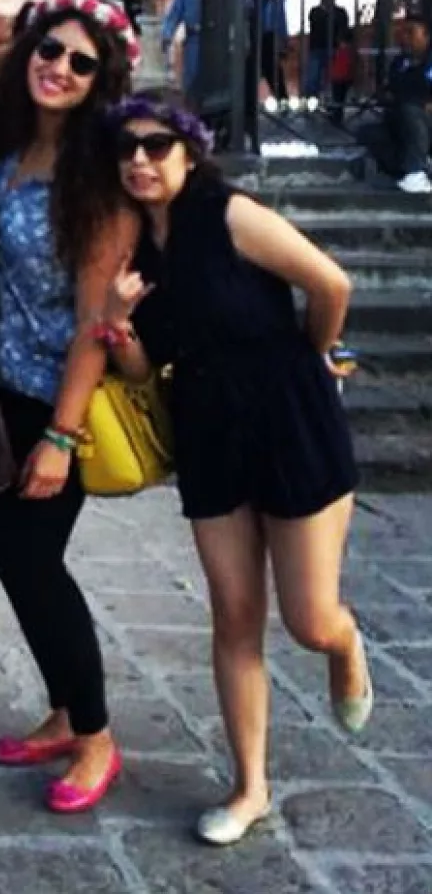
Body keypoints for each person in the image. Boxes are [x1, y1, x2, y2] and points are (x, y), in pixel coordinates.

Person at [101, 93, 369, 845]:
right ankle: (250, 786)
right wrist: (117, 322)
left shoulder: (230, 215)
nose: (140, 160)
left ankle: (346, 643)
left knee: (309, 619)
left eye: (157, 145)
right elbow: (141, 366)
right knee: (235, 612)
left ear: (189, 154)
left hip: (289, 413)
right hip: (207, 427)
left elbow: (331, 284)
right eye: (126, 149)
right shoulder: (136, 248)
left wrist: (313, 354)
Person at [0, 0, 141, 814]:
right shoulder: (2, 150)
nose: (60, 68)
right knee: (11, 557)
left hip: (53, 399)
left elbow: (96, 321)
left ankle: (97, 734)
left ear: (100, 82)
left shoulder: (96, 178)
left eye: (81, 62)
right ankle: (66, 710)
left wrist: (62, 437)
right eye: (50, 51)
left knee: (36, 562)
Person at [384, 14, 432, 193]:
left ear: (426, 36)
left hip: (423, 116)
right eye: (404, 33)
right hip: (402, 116)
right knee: (371, 133)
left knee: (413, 112)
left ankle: (416, 170)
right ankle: (405, 166)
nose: (406, 38)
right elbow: (391, 89)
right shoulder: (400, 62)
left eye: (411, 32)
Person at [303, 0, 353, 124]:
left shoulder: (340, 12)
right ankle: (312, 107)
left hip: (334, 50)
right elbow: (317, 24)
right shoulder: (315, 11)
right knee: (313, 80)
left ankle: (332, 108)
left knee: (334, 81)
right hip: (317, 49)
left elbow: (344, 29)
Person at [161, 0, 204, 103]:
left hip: (217, 42)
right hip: (194, 40)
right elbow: (175, 14)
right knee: (191, 85)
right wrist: (166, 35)